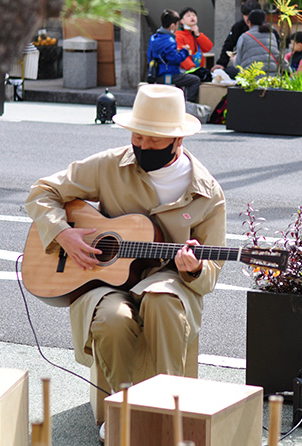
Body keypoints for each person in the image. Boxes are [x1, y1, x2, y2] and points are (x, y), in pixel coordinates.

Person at [24, 84, 225, 441]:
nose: (142, 146)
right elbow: (43, 192)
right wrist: (62, 235)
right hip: (103, 281)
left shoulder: (206, 191)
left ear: (177, 141)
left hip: (170, 282)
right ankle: (120, 409)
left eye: (153, 140)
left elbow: (211, 274)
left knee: (163, 302)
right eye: (137, 136)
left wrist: (193, 268)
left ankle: (169, 410)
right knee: (112, 319)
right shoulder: (109, 165)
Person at [147, 9, 200, 102]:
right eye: (177, 25)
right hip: (169, 75)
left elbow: (152, 55)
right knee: (195, 80)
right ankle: (188, 106)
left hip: (156, 74)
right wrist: (185, 51)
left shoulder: (154, 37)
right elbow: (175, 59)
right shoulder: (170, 40)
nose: (177, 27)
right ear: (172, 25)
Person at [233, 8, 281, 74]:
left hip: (251, 77)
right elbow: (277, 55)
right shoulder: (272, 35)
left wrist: (233, 60)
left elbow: (237, 64)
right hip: (271, 78)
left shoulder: (244, 37)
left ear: (249, 22)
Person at [175, 6, 214, 83]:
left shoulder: (196, 34)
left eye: (194, 15)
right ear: (182, 21)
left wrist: (198, 35)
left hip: (196, 69)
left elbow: (208, 47)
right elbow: (179, 54)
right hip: (184, 70)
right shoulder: (178, 35)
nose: (192, 17)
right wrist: (191, 68)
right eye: (188, 16)